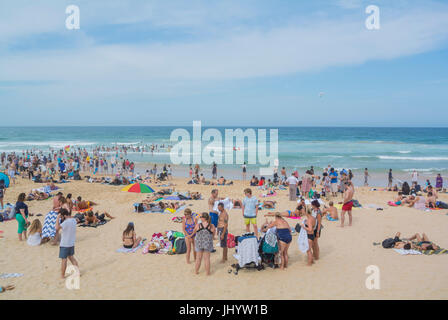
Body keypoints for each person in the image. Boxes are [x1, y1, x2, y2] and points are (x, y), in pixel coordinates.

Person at [55, 208, 79, 279]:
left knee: (64, 260)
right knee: (72, 258)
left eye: (62, 217)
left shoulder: (65, 222)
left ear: (64, 216)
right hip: (71, 243)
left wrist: (58, 218)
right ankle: (77, 272)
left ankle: (62, 275)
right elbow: (77, 220)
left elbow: (56, 228)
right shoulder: (73, 220)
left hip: (65, 244)